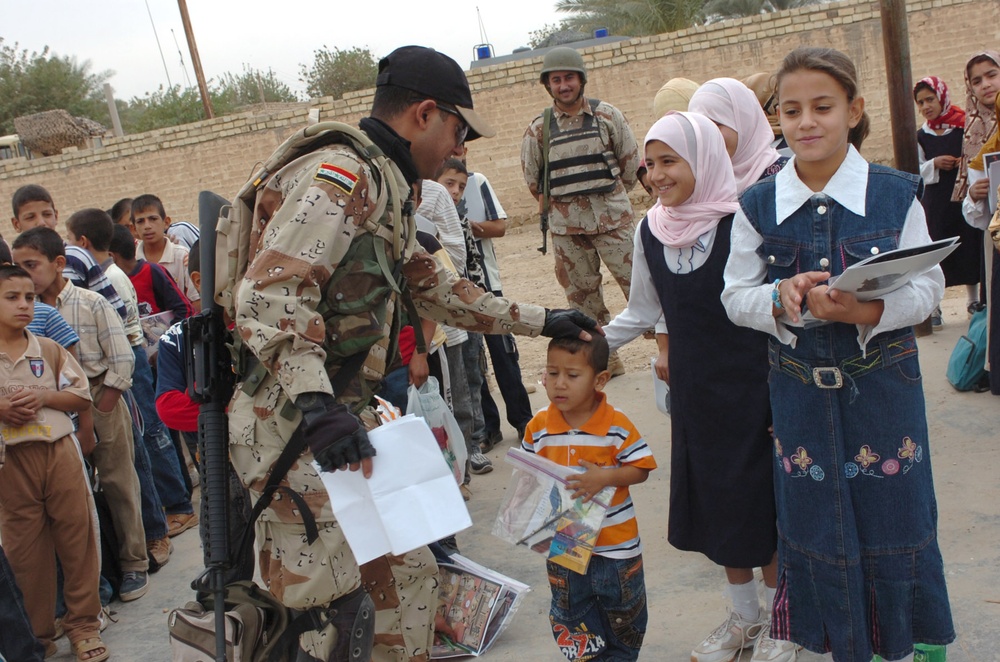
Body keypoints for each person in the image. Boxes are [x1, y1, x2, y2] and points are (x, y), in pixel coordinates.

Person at [226, 44, 598, 662]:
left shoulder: (388, 185)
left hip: (341, 422)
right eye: (458, 130)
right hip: (293, 427)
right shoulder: (344, 177)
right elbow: (267, 298)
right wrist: (319, 406)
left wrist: (542, 319)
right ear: (425, 113)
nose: (460, 149)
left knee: (410, 581)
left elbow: (435, 287)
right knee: (322, 612)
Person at [722, 46, 955, 661]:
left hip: (883, 390)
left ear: (853, 110)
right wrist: (780, 296)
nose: (806, 122)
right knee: (815, 521)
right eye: (790, 110)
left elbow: (929, 285)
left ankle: (901, 648)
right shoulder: (756, 205)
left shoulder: (895, 193)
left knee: (893, 514)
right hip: (797, 392)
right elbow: (733, 296)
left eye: (822, 107)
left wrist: (869, 311)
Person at [602, 111, 788, 662]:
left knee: (762, 508)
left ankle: (783, 619)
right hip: (697, 396)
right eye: (649, 164)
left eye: (670, 161)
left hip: (754, 390)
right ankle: (744, 618)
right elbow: (641, 310)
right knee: (719, 508)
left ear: (704, 160)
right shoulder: (650, 230)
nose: (656, 175)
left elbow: (772, 308)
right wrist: (589, 346)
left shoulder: (743, 221)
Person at [11, 228, 151, 604]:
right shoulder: (25, 313)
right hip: (53, 411)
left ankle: (135, 562)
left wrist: (101, 405)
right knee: (79, 499)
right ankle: (100, 577)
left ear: (58, 264)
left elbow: (121, 358)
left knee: (119, 482)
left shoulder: (89, 302)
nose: (25, 273)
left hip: (99, 397)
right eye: (18, 266)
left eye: (31, 265)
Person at [67, 209, 197, 551]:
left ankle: (179, 505)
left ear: (81, 242)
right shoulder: (112, 273)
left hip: (137, 356)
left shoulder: (115, 277)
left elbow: (131, 329)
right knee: (154, 431)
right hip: (138, 356)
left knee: (152, 433)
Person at [522, 334, 656, 661]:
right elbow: (527, 474)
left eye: (572, 375)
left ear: (600, 380)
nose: (559, 384)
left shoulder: (616, 425)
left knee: (624, 618)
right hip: (565, 547)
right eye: (552, 373)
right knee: (571, 617)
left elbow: (641, 468)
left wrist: (605, 477)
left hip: (616, 549)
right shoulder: (539, 426)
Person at [0, 264, 107, 662]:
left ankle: (83, 626)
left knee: (76, 538)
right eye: (12, 297)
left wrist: (43, 398)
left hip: (58, 452)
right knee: (24, 552)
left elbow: (81, 397)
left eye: (29, 297)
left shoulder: (48, 349)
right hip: (11, 462)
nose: (24, 305)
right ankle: (39, 636)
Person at [521, 46, 640, 377]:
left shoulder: (607, 117)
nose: (563, 85)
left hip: (614, 222)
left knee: (642, 288)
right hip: (568, 231)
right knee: (583, 303)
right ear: (549, 85)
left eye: (569, 78)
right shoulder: (538, 130)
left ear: (581, 79)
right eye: (556, 80)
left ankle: (666, 349)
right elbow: (534, 180)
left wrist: (607, 202)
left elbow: (630, 163)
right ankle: (606, 361)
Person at [155, 240, 255, 586]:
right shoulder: (180, 338)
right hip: (217, 463)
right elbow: (168, 407)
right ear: (197, 280)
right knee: (225, 571)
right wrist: (235, 409)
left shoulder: (260, 327)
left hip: (270, 461)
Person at [460, 149, 534, 449]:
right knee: (473, 363)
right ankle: (489, 427)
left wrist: (465, 226)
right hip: (457, 290)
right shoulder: (431, 188)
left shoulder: (477, 182)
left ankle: (523, 420)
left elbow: (499, 226)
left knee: (504, 354)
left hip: (487, 284)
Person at [914, 76, 982, 323]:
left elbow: (977, 152)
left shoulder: (965, 126)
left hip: (962, 198)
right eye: (921, 103)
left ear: (941, 97)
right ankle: (935, 307)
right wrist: (935, 164)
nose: (926, 106)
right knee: (938, 249)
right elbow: (915, 168)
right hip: (936, 201)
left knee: (969, 245)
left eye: (930, 99)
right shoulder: (921, 135)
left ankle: (973, 300)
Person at [10, 185, 128, 322]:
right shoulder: (18, 268)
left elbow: (116, 311)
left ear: (56, 215)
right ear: (16, 224)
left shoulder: (77, 257)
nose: (41, 222)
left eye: (47, 214)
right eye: (30, 217)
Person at [109, 224, 194, 320]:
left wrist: (171, 333)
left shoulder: (152, 271)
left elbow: (184, 309)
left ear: (111, 256)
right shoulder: (110, 282)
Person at [132, 194, 200, 309]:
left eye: (153, 219)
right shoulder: (132, 260)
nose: (147, 226)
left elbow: (197, 301)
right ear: (134, 229)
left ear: (166, 222)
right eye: (140, 221)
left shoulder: (182, 256)